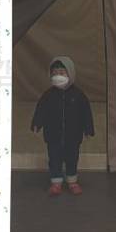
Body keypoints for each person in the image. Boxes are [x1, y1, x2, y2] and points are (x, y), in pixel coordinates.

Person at [30, 56, 95, 196]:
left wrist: (88, 129)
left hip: (73, 136)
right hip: (53, 136)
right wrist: (37, 123)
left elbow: (85, 113)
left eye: (61, 72)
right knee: (54, 159)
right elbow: (41, 110)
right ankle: (56, 182)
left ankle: (72, 181)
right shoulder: (48, 95)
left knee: (72, 158)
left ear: (70, 74)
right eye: (54, 73)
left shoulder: (78, 95)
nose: (58, 76)